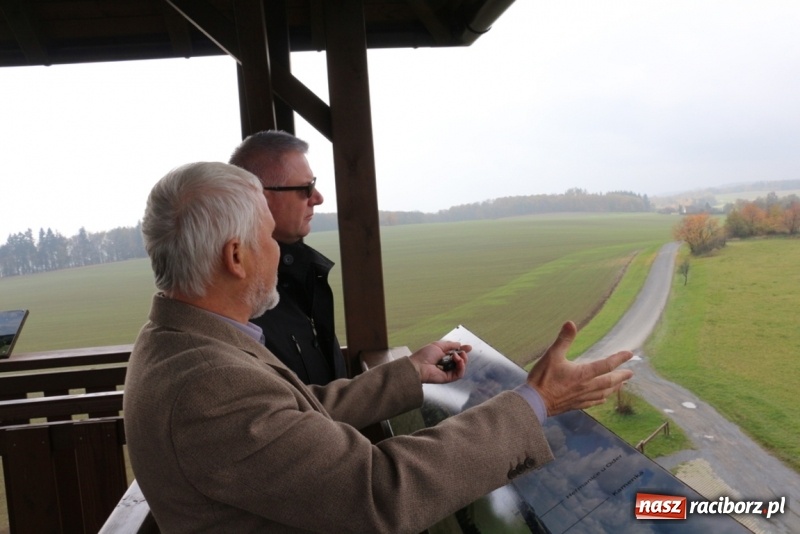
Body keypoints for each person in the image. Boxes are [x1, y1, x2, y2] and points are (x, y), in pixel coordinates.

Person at [124, 161, 634, 533]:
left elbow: (295, 419)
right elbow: (379, 490)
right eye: (270, 237)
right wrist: (535, 402)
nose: (280, 251)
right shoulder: (206, 385)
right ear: (236, 256)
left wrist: (409, 375)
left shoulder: (182, 342)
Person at [229, 130, 345, 385]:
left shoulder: (296, 273)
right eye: (306, 188)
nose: (318, 198)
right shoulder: (242, 298)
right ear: (260, 197)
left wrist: (411, 372)